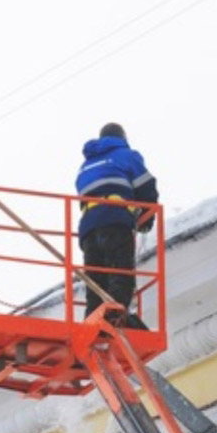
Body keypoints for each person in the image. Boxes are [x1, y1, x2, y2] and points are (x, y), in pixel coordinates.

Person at [75, 122, 158, 324]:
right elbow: (146, 184)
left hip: (88, 226)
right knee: (120, 272)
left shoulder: (87, 163)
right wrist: (148, 214)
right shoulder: (125, 155)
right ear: (122, 138)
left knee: (96, 278)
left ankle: (93, 320)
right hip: (114, 218)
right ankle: (116, 315)